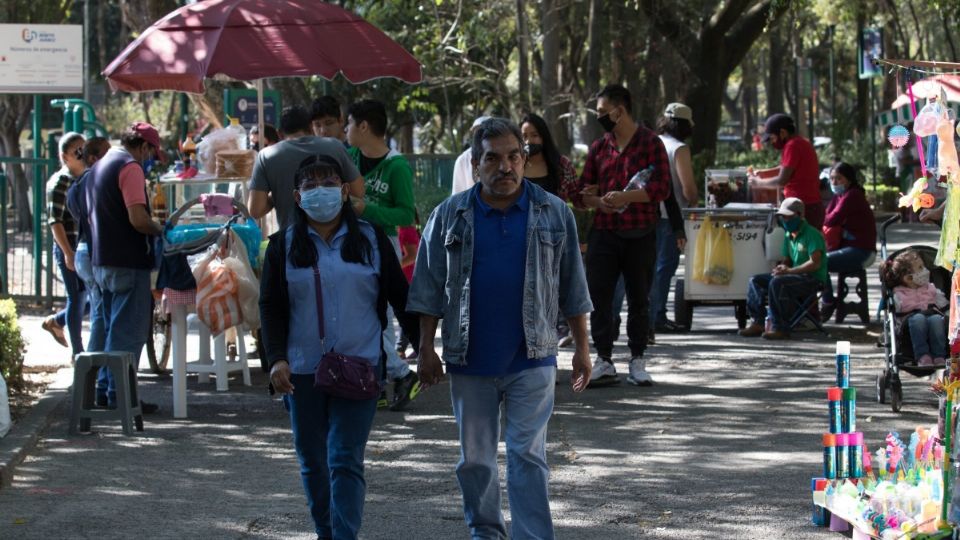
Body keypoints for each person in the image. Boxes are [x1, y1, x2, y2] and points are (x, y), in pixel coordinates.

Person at [409, 117, 593, 540]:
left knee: (528, 454)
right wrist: (425, 348)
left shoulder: (554, 211)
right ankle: (487, 531)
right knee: (475, 459)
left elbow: (574, 288)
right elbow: (427, 288)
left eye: (513, 157)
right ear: (475, 164)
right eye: (492, 158)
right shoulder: (449, 215)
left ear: (525, 160)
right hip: (469, 356)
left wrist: (582, 349)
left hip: (534, 353)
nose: (504, 167)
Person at [260, 155, 419, 540]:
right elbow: (271, 307)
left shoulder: (371, 239)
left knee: (345, 459)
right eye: (310, 185)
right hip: (301, 371)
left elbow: (400, 297)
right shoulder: (283, 245)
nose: (320, 191)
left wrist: (424, 349)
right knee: (314, 461)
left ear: (344, 190)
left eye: (328, 182)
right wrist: (276, 358)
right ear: (298, 197)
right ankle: (325, 532)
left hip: (360, 367)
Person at [570, 84, 669, 387]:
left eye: (602, 112)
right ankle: (604, 359)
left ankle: (637, 360)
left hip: (641, 232)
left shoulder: (651, 143)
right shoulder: (600, 147)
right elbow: (582, 192)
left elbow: (662, 189)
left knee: (640, 297)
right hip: (604, 232)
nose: (599, 118)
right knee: (598, 297)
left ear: (620, 110)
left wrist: (629, 197)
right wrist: (596, 200)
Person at [345, 99, 420, 411]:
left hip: (382, 246)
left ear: (364, 127)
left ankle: (394, 374)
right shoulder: (347, 156)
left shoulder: (397, 166)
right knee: (362, 315)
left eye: (349, 123)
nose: (345, 130)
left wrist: (367, 209)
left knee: (380, 316)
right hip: (348, 243)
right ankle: (382, 378)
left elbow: (406, 214)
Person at [84, 122, 164, 412]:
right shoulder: (130, 167)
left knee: (109, 329)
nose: (149, 161)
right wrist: (160, 229)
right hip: (127, 262)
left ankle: (106, 389)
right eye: (151, 154)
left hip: (101, 261)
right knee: (128, 333)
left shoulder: (101, 164)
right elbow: (138, 219)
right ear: (143, 146)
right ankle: (122, 395)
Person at [248, 105, 363, 228]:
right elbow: (359, 191)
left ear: (279, 134)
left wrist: (278, 191)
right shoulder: (335, 146)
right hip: (335, 237)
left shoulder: (266, 156)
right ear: (311, 127)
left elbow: (256, 210)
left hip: (292, 239)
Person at [740, 197, 827, 340]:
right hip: (794, 276)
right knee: (755, 280)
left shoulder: (812, 234)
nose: (785, 220)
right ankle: (757, 322)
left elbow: (815, 263)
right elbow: (787, 259)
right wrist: (782, 267)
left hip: (812, 279)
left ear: (800, 215)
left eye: (789, 217)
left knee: (778, 283)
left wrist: (789, 271)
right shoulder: (788, 234)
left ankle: (780, 327)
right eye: (783, 217)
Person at [650, 103, 697, 335]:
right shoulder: (679, 148)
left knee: (651, 266)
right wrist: (695, 200)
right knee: (664, 267)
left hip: (648, 211)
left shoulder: (653, 142)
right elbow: (688, 189)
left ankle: (651, 314)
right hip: (671, 215)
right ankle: (657, 314)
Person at [42, 132, 87, 353]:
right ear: (65, 156)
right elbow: (55, 221)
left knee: (89, 297)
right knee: (77, 298)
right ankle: (78, 353)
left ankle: (57, 321)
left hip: (85, 246)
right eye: (77, 151)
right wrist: (68, 253)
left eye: (84, 149)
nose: (82, 155)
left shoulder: (86, 178)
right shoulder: (60, 182)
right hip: (68, 246)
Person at [819, 162, 877, 320]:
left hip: (862, 252)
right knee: (816, 260)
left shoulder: (853, 195)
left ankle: (828, 301)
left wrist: (825, 221)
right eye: (831, 179)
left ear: (849, 180)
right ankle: (827, 300)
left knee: (820, 262)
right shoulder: (839, 196)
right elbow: (827, 217)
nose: (834, 183)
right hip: (849, 249)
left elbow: (831, 220)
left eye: (839, 178)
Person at [749, 113, 824, 229]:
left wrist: (757, 183)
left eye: (773, 138)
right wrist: (764, 173)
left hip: (804, 207)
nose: (772, 142)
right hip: (810, 205)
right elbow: (786, 167)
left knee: (804, 246)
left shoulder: (792, 146)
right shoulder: (799, 142)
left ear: (783, 133)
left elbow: (781, 181)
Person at [879, 249, 947, 366]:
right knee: (918, 319)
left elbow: (945, 306)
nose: (925, 271)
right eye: (920, 268)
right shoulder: (899, 294)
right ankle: (922, 356)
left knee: (936, 319)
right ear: (908, 278)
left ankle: (939, 356)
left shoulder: (931, 289)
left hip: (931, 318)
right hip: (908, 328)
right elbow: (894, 314)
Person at [519, 112, 577, 199]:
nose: (528, 141)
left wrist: (591, 197)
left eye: (534, 135)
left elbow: (577, 199)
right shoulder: (514, 165)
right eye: (524, 136)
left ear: (544, 137)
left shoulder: (563, 164)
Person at [395, 213, 420, 360]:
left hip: (408, 280)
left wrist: (392, 268)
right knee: (408, 315)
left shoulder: (407, 231)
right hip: (407, 278)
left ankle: (400, 349)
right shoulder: (403, 230)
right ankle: (407, 348)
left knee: (407, 315)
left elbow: (412, 256)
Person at [451, 116, 491, 195]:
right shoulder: (462, 159)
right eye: (478, 132)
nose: (481, 135)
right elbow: (457, 193)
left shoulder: (503, 156)